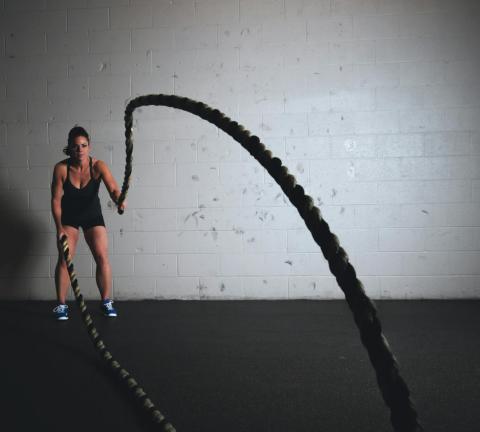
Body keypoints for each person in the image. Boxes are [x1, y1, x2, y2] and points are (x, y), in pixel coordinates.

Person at [51, 126, 126, 320]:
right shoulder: (61, 168)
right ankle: (61, 305)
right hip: (70, 218)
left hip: (92, 216)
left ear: (89, 147)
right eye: (75, 146)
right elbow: (56, 200)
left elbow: (113, 189)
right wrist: (59, 228)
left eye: (83, 145)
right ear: (69, 148)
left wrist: (119, 199)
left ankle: (106, 301)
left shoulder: (98, 166)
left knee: (102, 257)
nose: (80, 150)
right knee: (65, 259)